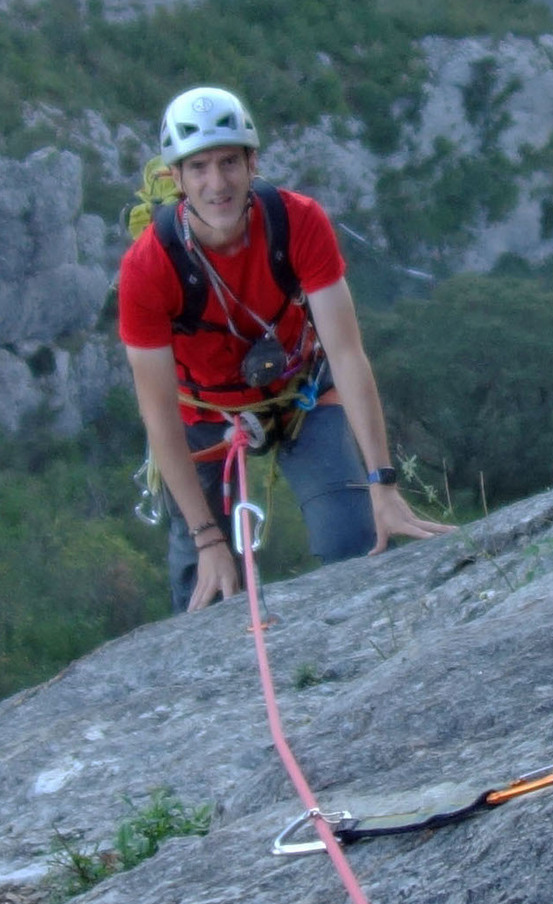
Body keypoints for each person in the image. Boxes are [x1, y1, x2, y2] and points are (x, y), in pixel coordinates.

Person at [119, 86, 450, 611]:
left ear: (253, 162)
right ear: (175, 179)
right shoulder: (149, 267)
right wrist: (208, 540)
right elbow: (158, 416)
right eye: (198, 167)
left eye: (229, 162)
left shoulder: (298, 221)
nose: (217, 183)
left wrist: (383, 485)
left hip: (301, 393)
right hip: (203, 415)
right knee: (200, 590)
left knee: (354, 541)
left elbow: (346, 355)